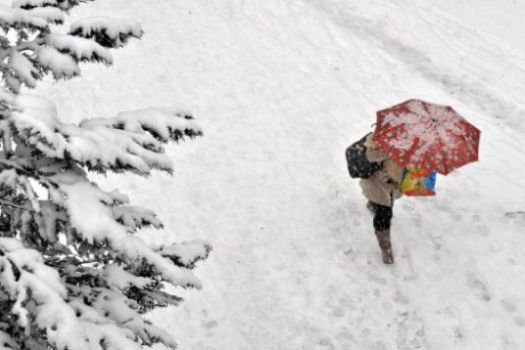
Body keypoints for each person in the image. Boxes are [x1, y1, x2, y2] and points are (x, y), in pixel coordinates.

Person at [359, 134, 404, 264]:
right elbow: (370, 156)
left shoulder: (414, 143)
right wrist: (392, 150)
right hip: (376, 182)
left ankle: (372, 204)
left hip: (392, 184)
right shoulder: (379, 136)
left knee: (387, 205)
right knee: (384, 215)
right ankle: (386, 248)